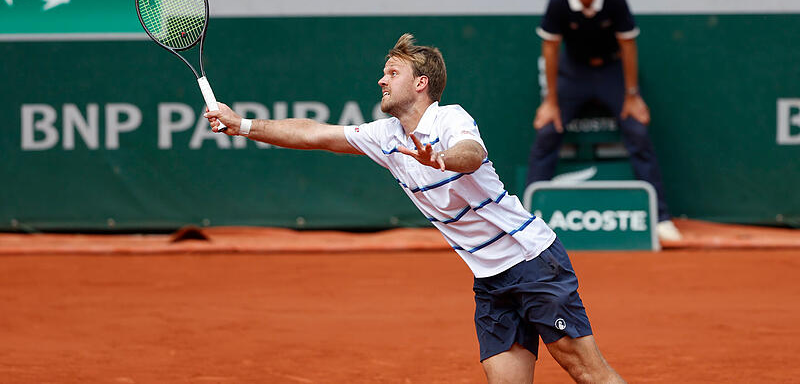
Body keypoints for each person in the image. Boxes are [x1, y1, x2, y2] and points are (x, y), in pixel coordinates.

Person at [205, 33, 625, 383]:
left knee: (588, 372)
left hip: (531, 262)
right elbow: (313, 133)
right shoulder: (386, 136)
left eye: (392, 73)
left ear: (421, 83)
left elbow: (471, 154)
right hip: (490, 280)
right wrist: (242, 125)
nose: (381, 81)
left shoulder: (449, 119)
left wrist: (438, 159)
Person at [527, 0, 682, 242]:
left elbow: (628, 46)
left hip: (611, 72)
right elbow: (550, 49)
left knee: (637, 131)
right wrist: (550, 100)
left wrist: (632, 94)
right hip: (573, 74)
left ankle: (661, 219)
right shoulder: (560, 0)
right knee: (547, 131)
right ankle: (526, 221)